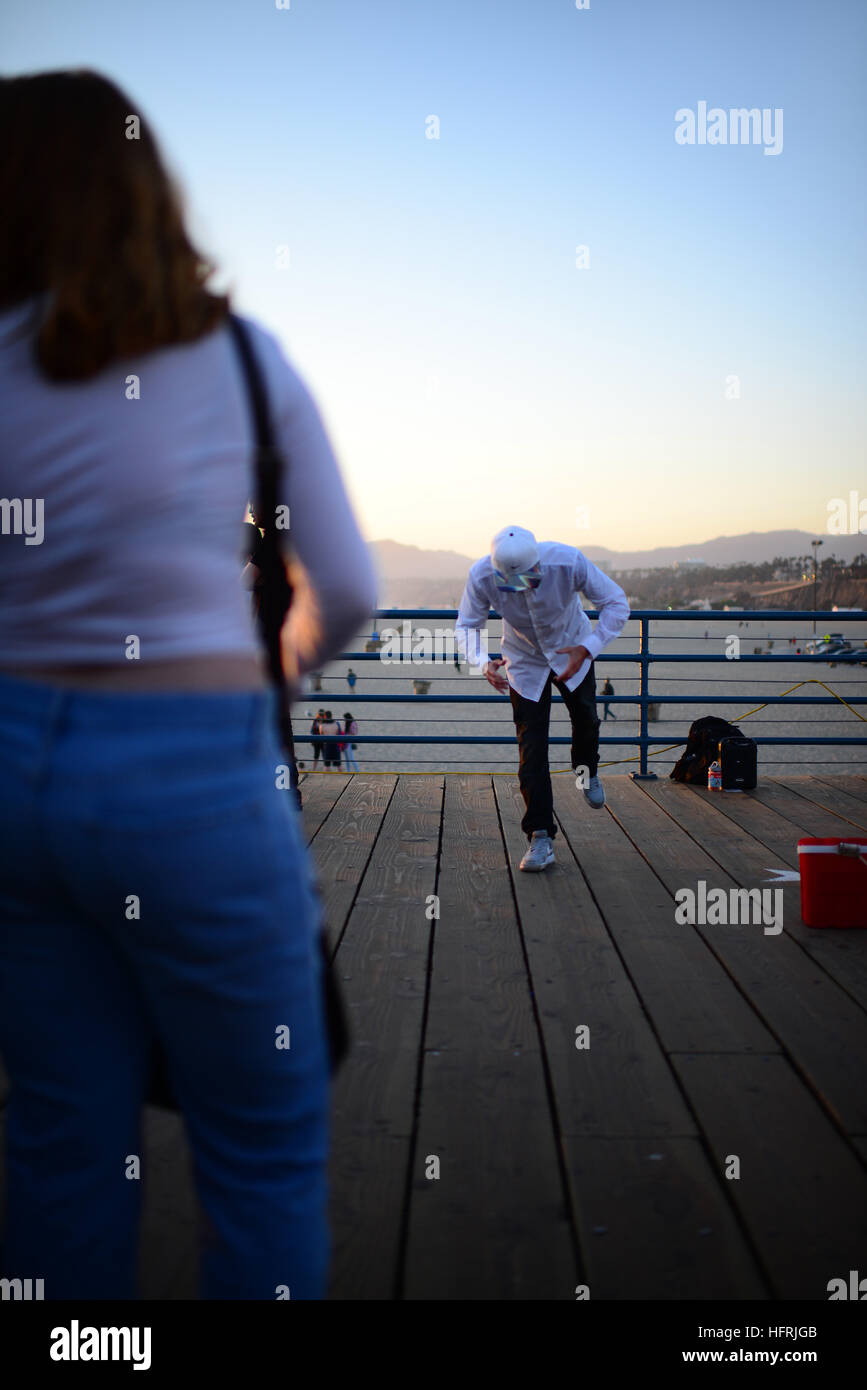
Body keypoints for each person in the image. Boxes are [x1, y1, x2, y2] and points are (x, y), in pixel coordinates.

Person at [0, 69, 378, 1301]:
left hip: (11, 775)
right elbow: (354, 591)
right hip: (191, 778)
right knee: (261, 1154)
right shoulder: (240, 362)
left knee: (64, 1148)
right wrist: (257, 670)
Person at [455, 526, 629, 873]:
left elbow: (616, 602)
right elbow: (466, 626)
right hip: (523, 659)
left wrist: (589, 647)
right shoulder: (481, 576)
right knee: (531, 748)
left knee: (586, 720)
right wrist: (481, 662)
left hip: (573, 648)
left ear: (540, 564)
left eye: (530, 580)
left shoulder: (567, 562)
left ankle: (587, 771)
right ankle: (540, 835)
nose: (523, 589)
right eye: (512, 584)